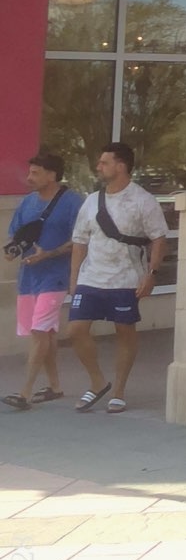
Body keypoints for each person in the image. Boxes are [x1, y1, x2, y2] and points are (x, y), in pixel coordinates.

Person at [66, 143, 168, 413]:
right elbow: (79, 241)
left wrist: (151, 275)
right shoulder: (91, 201)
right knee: (75, 330)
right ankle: (97, 382)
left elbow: (158, 239)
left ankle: (119, 390)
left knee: (124, 332)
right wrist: (74, 277)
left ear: (120, 166)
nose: (99, 167)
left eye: (104, 163)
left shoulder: (142, 200)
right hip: (91, 277)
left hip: (125, 278)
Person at [4, 153, 84, 409]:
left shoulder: (73, 202)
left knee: (40, 331)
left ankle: (24, 393)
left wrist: (50, 253)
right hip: (28, 278)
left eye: (35, 173)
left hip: (56, 277)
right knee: (43, 332)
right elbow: (14, 236)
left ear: (52, 174)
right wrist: (11, 251)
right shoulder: (27, 203)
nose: (29, 178)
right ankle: (55, 386)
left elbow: (82, 239)